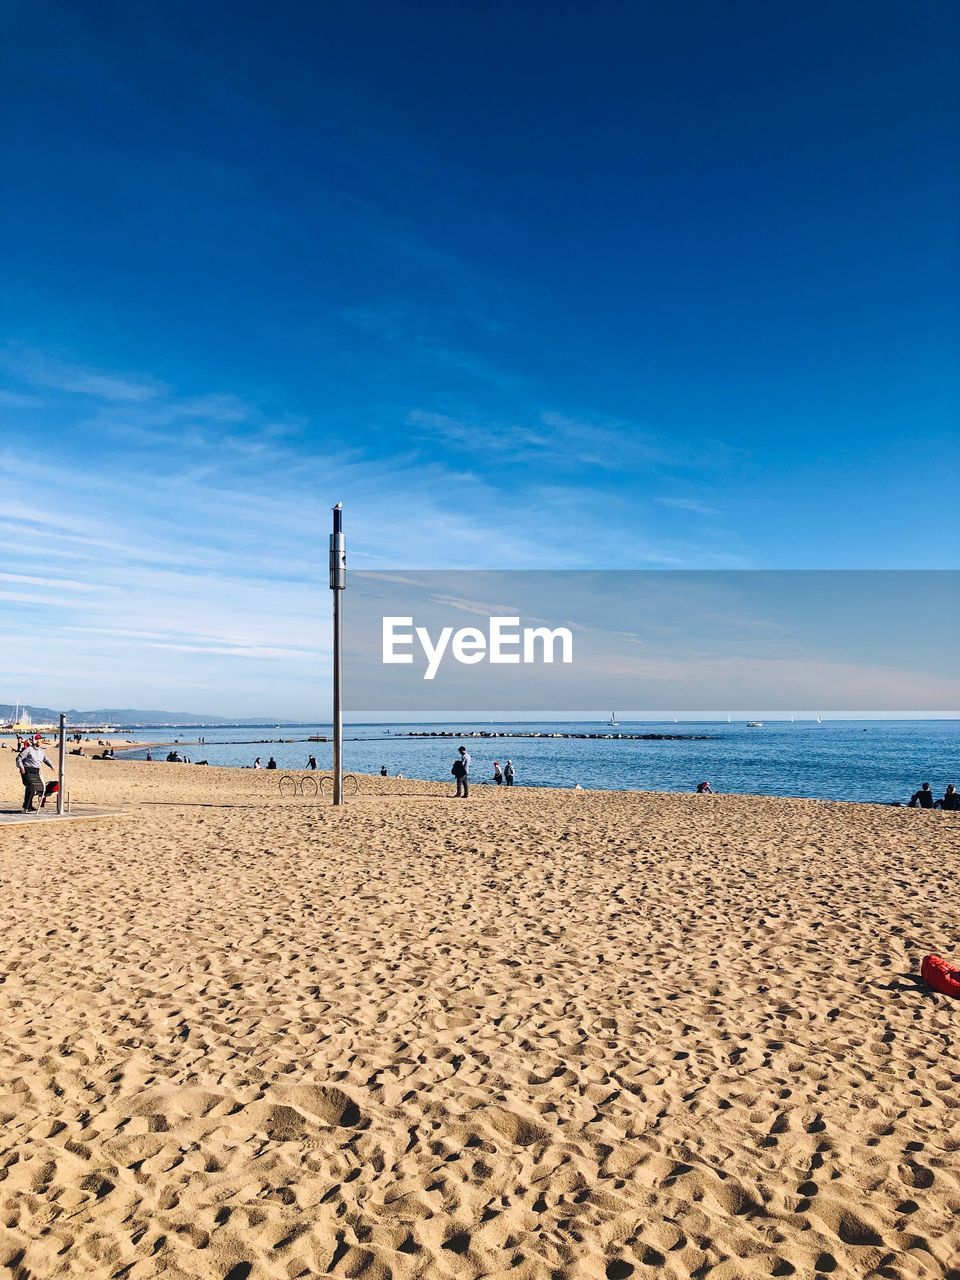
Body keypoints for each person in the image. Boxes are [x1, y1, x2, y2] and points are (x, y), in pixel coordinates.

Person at [16, 738, 54, 812]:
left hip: (36, 772)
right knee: (31, 787)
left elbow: (45, 759)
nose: (41, 741)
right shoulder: (29, 749)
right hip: (27, 770)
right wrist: (21, 767)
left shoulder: (41, 751)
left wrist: (51, 765)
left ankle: (28, 806)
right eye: (39, 740)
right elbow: (19, 758)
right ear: (35, 741)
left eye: (41, 739)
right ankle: (26, 807)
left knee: (32, 789)